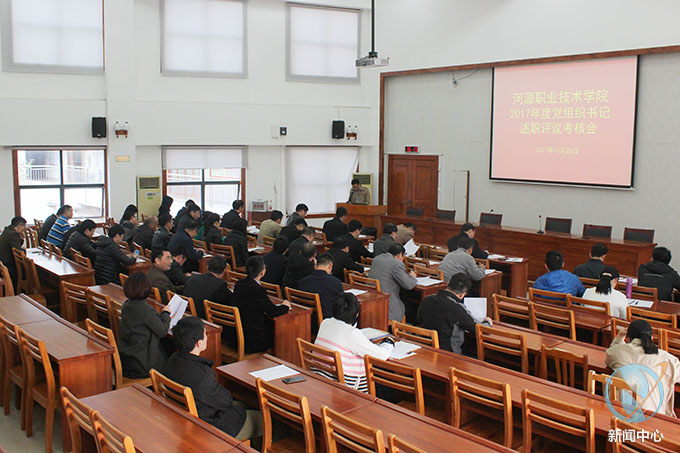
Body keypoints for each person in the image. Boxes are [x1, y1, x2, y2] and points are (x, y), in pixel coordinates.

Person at [165, 317, 262, 439]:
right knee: (264, 420)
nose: (207, 337)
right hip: (209, 427)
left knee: (246, 405)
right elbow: (226, 401)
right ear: (199, 343)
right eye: (205, 334)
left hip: (189, 416)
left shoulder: (172, 360)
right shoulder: (202, 376)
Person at [315, 294, 394, 392]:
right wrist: (389, 343)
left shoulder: (325, 323)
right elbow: (381, 356)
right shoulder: (352, 334)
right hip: (347, 387)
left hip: (322, 376)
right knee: (387, 383)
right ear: (357, 314)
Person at [605, 319, 680, 417]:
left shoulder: (618, 351)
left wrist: (619, 336)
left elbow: (611, 351)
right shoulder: (669, 359)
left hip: (620, 412)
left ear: (627, 339)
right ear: (651, 338)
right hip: (654, 415)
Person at [418, 273, 493, 354]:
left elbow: (419, 319)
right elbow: (479, 329)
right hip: (448, 353)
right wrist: (487, 322)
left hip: (425, 348)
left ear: (448, 284)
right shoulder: (456, 308)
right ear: (462, 295)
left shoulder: (427, 299)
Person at [118, 272, 171, 378]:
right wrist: (165, 313)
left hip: (129, 359)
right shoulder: (145, 309)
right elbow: (162, 332)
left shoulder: (126, 305)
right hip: (144, 364)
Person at [233, 256, 291, 353]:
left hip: (237, 335)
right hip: (252, 340)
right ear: (262, 272)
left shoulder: (239, 284)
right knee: (281, 333)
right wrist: (285, 306)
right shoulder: (257, 290)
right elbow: (272, 311)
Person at [368, 243, 418, 321]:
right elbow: (409, 285)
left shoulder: (377, 258)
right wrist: (412, 276)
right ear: (400, 255)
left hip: (373, 299)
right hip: (388, 304)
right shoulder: (397, 264)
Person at [298, 254, 345, 319]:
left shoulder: (302, 281)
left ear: (316, 266)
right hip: (327, 318)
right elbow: (341, 303)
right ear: (330, 266)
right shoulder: (335, 282)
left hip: (307, 317)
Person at [0, 216, 26, 284]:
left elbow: (15, 245)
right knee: (27, 269)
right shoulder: (13, 234)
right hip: (7, 265)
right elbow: (19, 252)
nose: (24, 229)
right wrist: (24, 250)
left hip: (2, 262)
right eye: (23, 227)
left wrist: (21, 238)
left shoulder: (7, 230)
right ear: (19, 226)